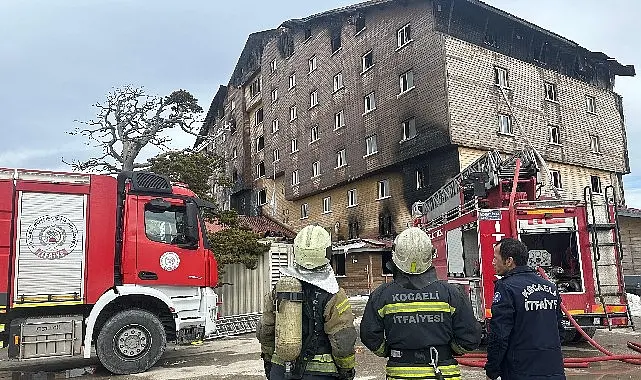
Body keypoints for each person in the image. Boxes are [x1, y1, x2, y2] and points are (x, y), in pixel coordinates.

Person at [360, 227, 481, 380]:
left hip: (400, 373)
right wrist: (448, 350)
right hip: (443, 373)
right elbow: (470, 337)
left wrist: (388, 351)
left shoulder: (382, 295)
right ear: (430, 255)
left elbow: (369, 335)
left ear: (395, 256)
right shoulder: (452, 293)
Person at [256, 225, 357, 380]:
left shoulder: (280, 289)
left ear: (297, 251)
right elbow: (343, 339)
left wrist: (269, 360)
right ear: (327, 253)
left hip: (281, 370)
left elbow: (265, 329)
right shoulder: (334, 294)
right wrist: (347, 369)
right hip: (320, 374)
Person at [485, 238, 566, 380]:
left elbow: (499, 335)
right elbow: (559, 331)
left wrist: (492, 370)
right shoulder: (550, 287)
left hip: (520, 371)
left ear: (509, 261)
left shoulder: (506, 287)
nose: (493, 262)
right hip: (553, 370)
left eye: (495, 258)